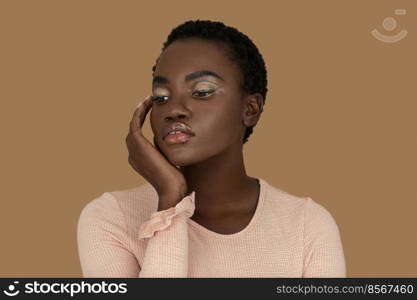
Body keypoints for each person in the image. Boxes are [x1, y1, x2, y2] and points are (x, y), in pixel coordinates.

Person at [77, 20, 346, 278]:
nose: (173, 109)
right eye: (161, 96)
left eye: (202, 91)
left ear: (250, 110)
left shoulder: (307, 225)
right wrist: (170, 200)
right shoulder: (110, 217)